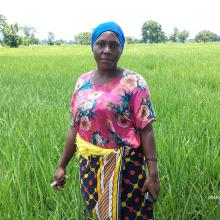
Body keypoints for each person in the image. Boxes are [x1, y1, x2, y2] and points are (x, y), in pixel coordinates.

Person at [53, 21, 160, 220]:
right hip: (90, 168)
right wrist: (61, 166)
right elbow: (74, 128)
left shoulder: (134, 82)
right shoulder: (82, 82)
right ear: (92, 46)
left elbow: (146, 130)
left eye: (114, 45)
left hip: (127, 169)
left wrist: (153, 174)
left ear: (121, 49)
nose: (107, 50)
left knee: (132, 215)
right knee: (96, 214)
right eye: (101, 44)